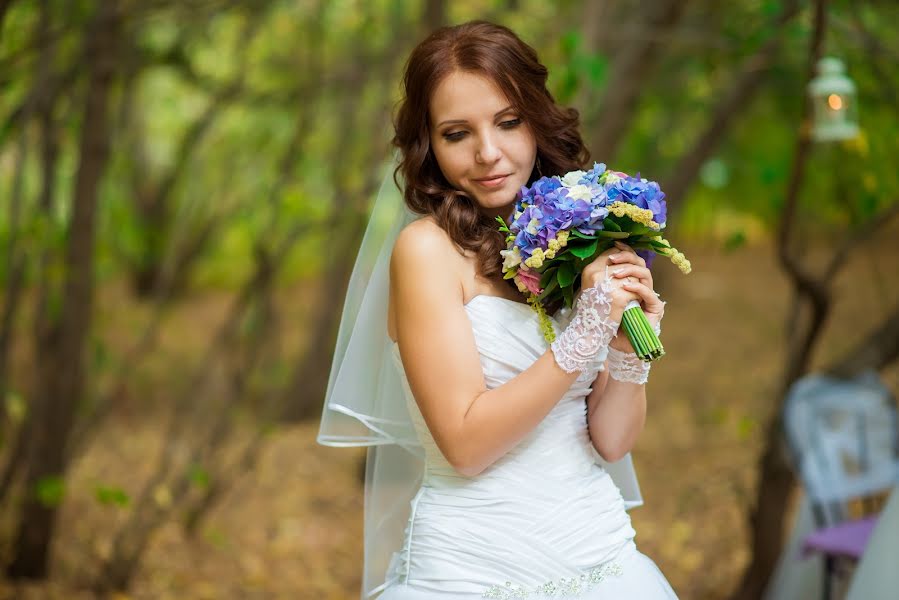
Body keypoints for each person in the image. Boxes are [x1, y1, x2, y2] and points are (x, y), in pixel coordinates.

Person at [319, 20, 678, 599]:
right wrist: (583, 335)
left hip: (604, 559)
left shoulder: (571, 241)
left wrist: (626, 351)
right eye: (458, 133)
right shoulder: (426, 252)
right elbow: (465, 445)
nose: (489, 153)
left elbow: (611, 442)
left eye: (508, 122)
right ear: (429, 146)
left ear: (536, 120)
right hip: (471, 570)